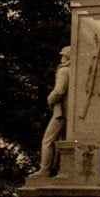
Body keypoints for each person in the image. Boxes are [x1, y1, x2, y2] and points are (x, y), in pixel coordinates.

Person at [37, 46, 72, 177]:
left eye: (63, 55)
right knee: (61, 141)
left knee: (48, 139)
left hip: (61, 112)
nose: (62, 58)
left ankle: (45, 169)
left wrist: (50, 99)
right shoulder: (74, 70)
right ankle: (56, 169)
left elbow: (59, 91)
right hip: (69, 112)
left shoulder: (64, 71)